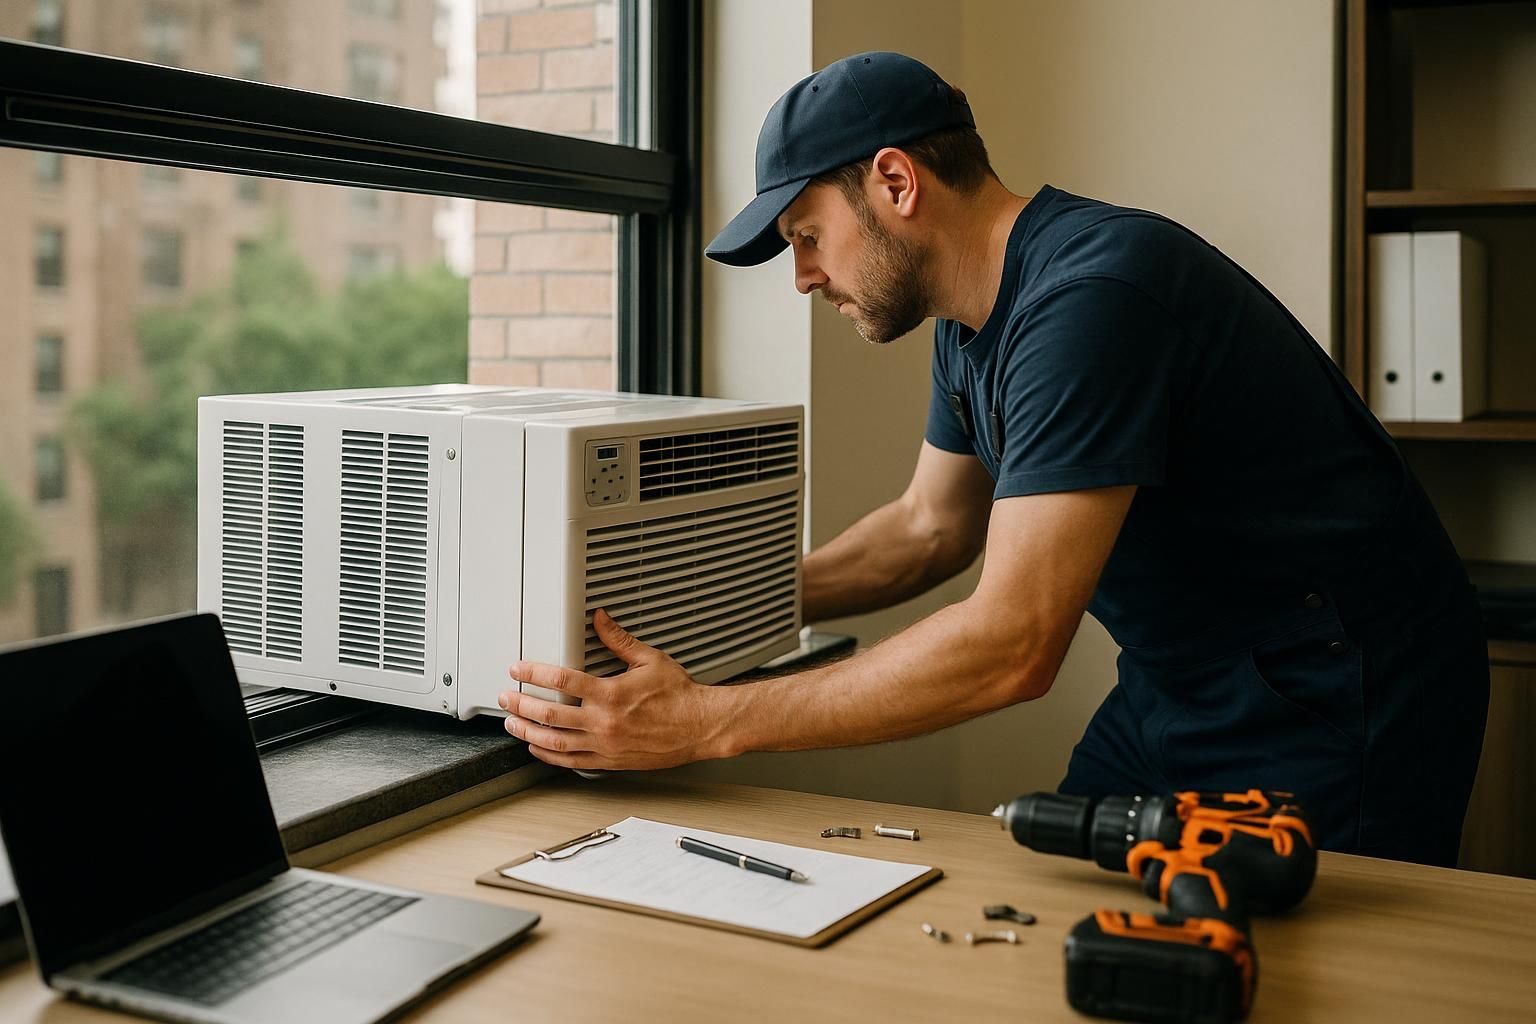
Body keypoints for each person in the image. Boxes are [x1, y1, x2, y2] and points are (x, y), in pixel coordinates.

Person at [496, 51, 1488, 866]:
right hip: (1178, 683)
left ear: (896, 182)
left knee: (1322, 983)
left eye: (807, 235)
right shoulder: (969, 322)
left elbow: (1013, 644)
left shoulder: (1093, 298)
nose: (802, 276)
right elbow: (928, 529)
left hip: (1337, 689)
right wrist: (722, 601)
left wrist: (702, 723)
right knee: (1058, 901)